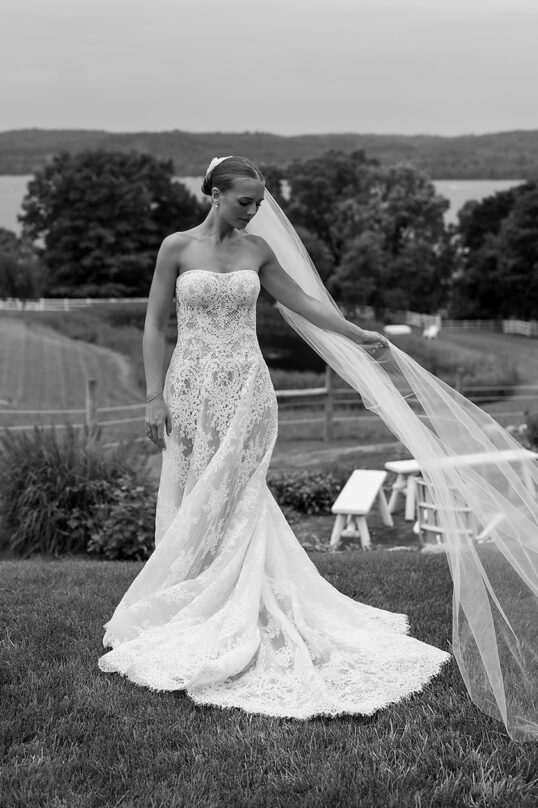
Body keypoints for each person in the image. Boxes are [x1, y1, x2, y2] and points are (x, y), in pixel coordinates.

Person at [98, 155, 452, 719]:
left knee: (241, 493)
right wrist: (152, 395)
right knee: (193, 490)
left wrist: (356, 334)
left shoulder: (258, 251)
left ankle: (243, 598)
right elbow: (154, 323)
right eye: (245, 202)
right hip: (189, 387)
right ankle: (193, 592)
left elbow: (302, 302)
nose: (254, 211)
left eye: (260, 203)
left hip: (248, 387)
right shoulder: (176, 247)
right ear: (215, 193)